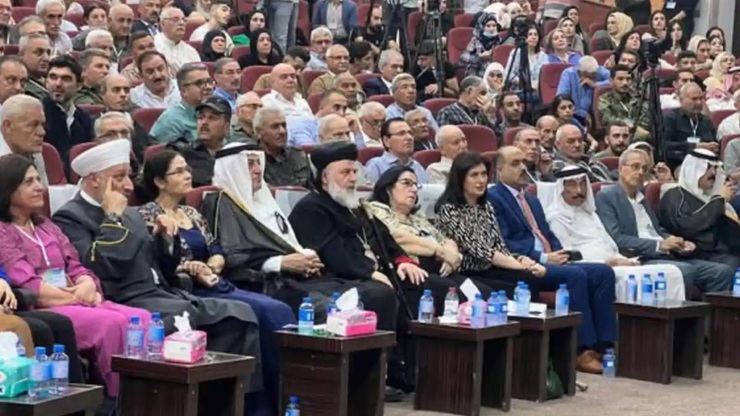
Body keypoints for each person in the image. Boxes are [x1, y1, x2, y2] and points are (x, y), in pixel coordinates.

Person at [51, 139, 268, 411]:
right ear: (94, 180)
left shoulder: (130, 213)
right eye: (119, 177)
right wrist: (113, 219)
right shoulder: (71, 217)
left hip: (162, 292)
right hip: (125, 299)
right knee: (190, 319)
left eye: (128, 176)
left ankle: (230, 406)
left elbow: (162, 268)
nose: (128, 185)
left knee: (240, 316)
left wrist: (166, 241)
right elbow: (99, 267)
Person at [139, 149, 294, 414]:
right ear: (159, 181)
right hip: (186, 288)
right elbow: (156, 262)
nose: (188, 175)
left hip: (215, 281)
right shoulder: (147, 215)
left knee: (278, 310)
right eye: (179, 171)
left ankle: (283, 399)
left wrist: (211, 265)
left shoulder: (191, 212)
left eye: (188, 169)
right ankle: (255, 407)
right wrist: (191, 268)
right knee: (263, 312)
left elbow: (216, 248)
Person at [0, 153, 151, 397]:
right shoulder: (4, 231)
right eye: (29, 182)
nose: (39, 187)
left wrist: (86, 282)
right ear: (8, 189)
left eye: (38, 179)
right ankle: (116, 400)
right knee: (112, 324)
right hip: (46, 306)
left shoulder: (46, 226)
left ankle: (147, 396)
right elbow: (28, 282)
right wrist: (77, 296)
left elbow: (75, 263)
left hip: (75, 298)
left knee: (141, 318)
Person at [288, 141, 429, 392]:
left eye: (354, 171)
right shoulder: (311, 208)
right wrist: (370, 272)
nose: (353, 178)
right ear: (324, 177)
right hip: (332, 279)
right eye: (345, 172)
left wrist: (403, 261)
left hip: (366, 274)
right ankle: (377, 376)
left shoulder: (356, 206)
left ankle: (413, 371)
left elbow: (385, 239)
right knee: (379, 293)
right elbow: (334, 255)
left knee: (422, 283)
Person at [487, 146, 617, 373]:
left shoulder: (531, 199)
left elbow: (547, 234)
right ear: (499, 171)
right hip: (523, 264)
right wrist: (544, 257)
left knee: (603, 272)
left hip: (549, 259)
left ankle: (605, 345)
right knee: (575, 275)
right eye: (515, 164)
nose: (522, 168)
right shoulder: (494, 198)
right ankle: (581, 350)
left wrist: (559, 254)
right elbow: (503, 241)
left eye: (523, 163)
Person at [595, 147, 734, 296]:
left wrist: (675, 241)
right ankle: (679, 312)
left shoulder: (642, 198)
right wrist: (659, 245)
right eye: (635, 167)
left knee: (722, 272)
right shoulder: (607, 196)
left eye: (644, 168)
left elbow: (657, 230)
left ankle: (714, 312)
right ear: (621, 169)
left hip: (665, 255)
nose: (640, 172)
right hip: (640, 257)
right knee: (684, 271)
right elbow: (617, 238)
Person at [545, 165, 685, 301]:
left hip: (615, 262)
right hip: (594, 268)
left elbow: (607, 243)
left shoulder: (589, 213)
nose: (579, 190)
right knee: (637, 278)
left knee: (671, 272)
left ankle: (668, 316)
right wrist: (608, 262)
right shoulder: (556, 217)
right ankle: (633, 318)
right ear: (561, 188)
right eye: (572, 185)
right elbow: (567, 257)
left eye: (582, 184)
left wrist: (623, 260)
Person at [659, 149, 740, 270]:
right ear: (693, 170)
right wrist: (719, 201)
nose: (713, 172)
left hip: (724, 252)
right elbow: (688, 227)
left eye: (715, 167)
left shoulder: (712, 196)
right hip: (697, 255)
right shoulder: (675, 195)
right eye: (707, 167)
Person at [42, 55, 94, 172]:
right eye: (53, 77)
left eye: (66, 79)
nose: (58, 84)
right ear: (46, 82)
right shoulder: (37, 114)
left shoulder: (84, 118)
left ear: (79, 85)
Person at [167, 96, 231, 187]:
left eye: (212, 118)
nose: (204, 122)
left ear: (226, 127)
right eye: (201, 117)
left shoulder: (234, 154)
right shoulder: (179, 152)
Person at [150, 62, 214, 143]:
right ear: (183, 91)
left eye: (209, 82)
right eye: (199, 83)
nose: (208, 87)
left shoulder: (218, 112)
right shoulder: (170, 121)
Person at [662, 82, 718, 170]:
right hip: (680, 164)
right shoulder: (670, 118)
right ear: (681, 100)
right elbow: (664, 145)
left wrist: (714, 147)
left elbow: (714, 142)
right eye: (694, 99)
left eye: (701, 99)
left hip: (706, 164)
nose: (699, 103)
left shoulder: (706, 121)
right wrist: (694, 146)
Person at [254, 106, 312, 188]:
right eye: (275, 127)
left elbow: (310, 187)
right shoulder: (253, 160)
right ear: (259, 132)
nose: (282, 131)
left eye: (284, 126)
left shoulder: (298, 155)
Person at [0, 95, 49, 186]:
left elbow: (43, 191)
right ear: (8, 126)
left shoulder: (33, 152)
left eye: (42, 124)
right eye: (33, 125)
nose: (42, 132)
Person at [366, 118, 428, 184]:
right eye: (401, 133)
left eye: (410, 133)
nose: (409, 137)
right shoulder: (376, 166)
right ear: (386, 141)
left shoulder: (417, 166)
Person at [598, 65, 650, 141]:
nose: (625, 83)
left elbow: (646, 119)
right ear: (611, 81)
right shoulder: (605, 99)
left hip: (640, 136)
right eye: (620, 79)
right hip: (617, 135)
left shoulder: (638, 98)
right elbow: (606, 119)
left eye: (628, 79)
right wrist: (630, 125)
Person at [556, 56, 610, 125]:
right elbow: (561, 97)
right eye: (588, 76)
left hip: (593, 114)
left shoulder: (599, 71)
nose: (591, 78)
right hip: (574, 114)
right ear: (580, 72)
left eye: (593, 76)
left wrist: (595, 84)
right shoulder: (568, 74)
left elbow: (613, 81)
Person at [154, 7, 201, 71]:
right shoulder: (153, 46)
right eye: (175, 20)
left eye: (184, 20)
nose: (181, 23)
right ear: (162, 24)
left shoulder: (191, 51)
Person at [461, 13, 501, 78]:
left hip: (494, 74)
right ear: (482, 27)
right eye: (488, 26)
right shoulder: (476, 40)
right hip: (476, 74)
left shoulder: (499, 40)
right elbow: (464, 58)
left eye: (494, 26)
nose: (492, 29)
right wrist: (480, 58)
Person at [19, 34, 52, 100]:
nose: (46, 58)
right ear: (22, 55)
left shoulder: (54, 81)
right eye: (38, 52)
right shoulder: (19, 87)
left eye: (48, 53)